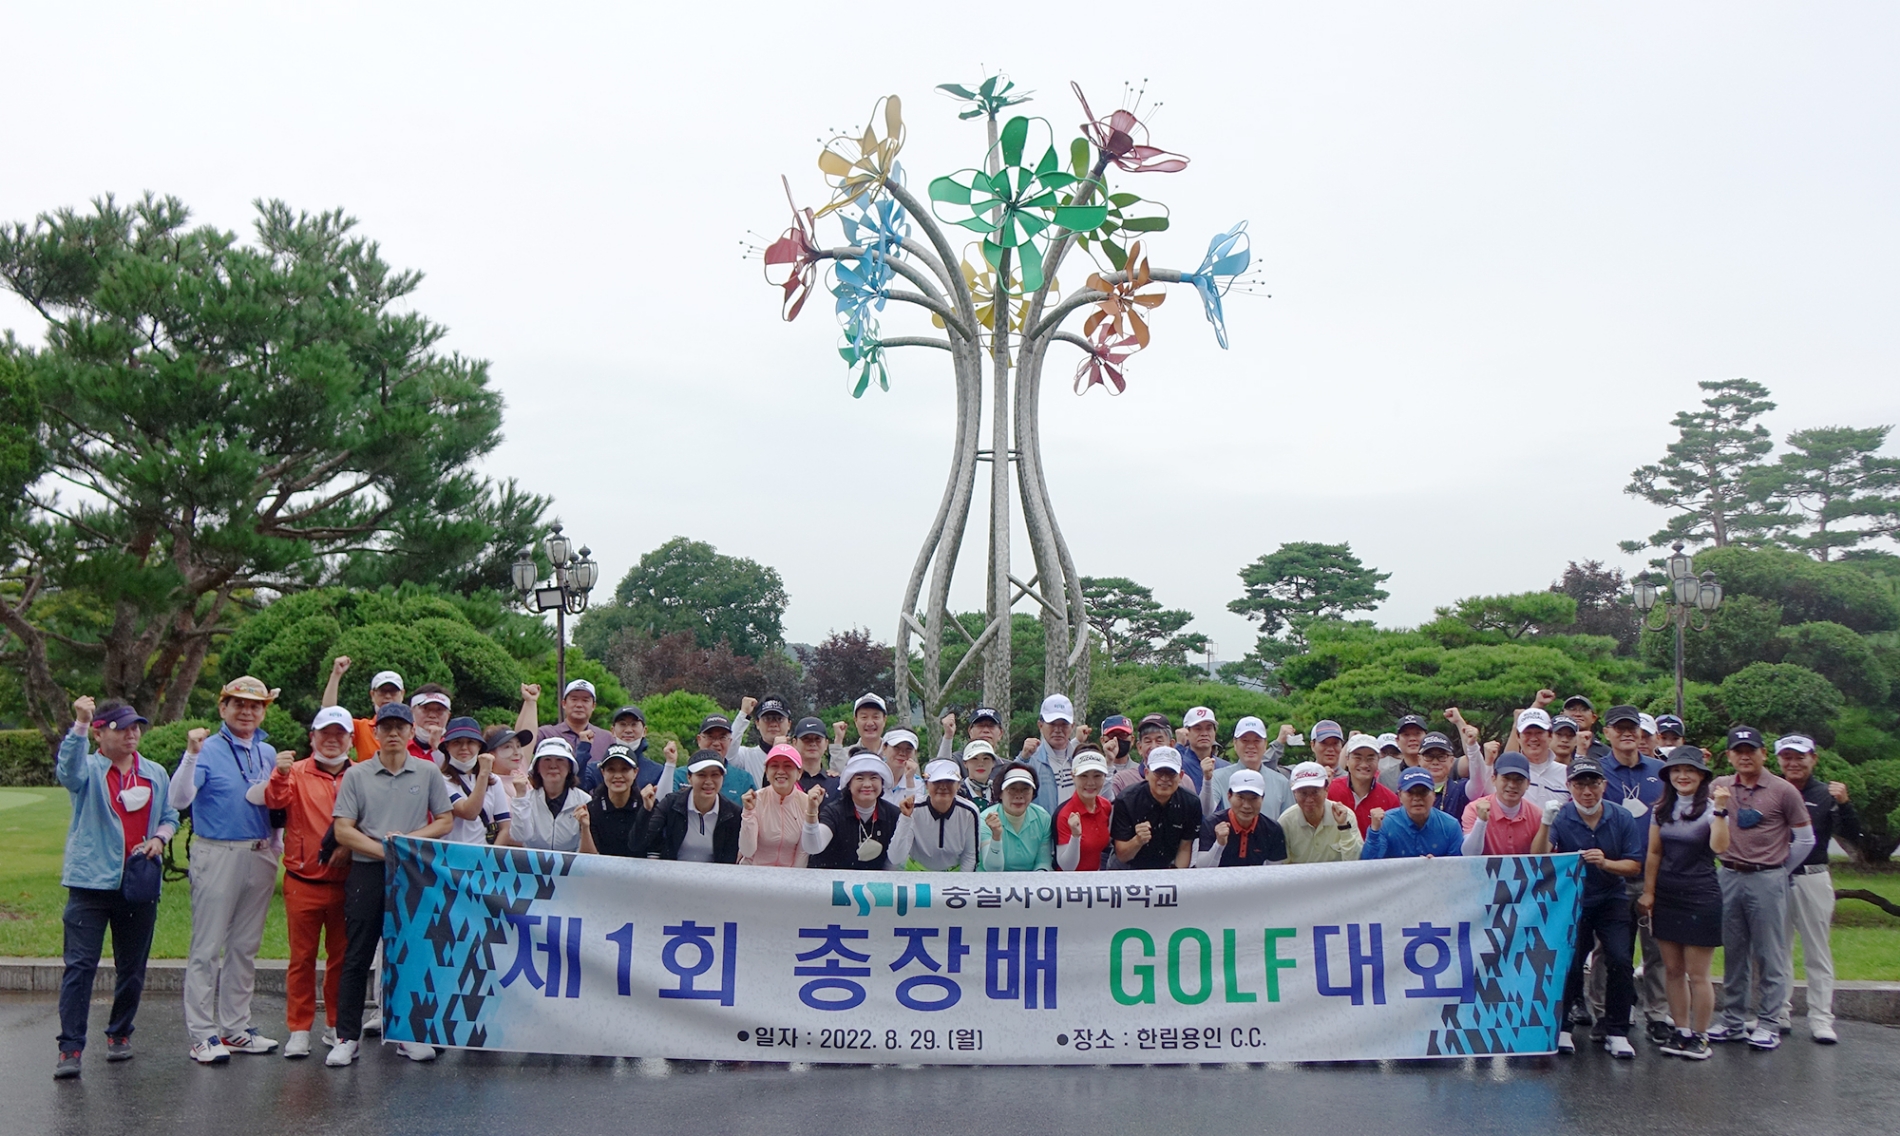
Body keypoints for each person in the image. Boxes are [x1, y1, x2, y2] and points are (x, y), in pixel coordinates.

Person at [51, 696, 177, 1080]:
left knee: (133, 968)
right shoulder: (88, 769)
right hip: (89, 883)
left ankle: (120, 1033)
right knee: (80, 967)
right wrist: (80, 723)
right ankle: (70, 1047)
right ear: (100, 733)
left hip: (138, 882)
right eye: (121, 728)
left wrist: (160, 838)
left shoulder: (154, 772)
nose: (131, 733)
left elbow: (170, 814)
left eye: (135, 726)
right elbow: (67, 773)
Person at [325, 701, 453, 1067]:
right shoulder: (357, 774)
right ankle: (346, 1037)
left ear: (411, 732)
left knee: (408, 955)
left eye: (400, 727)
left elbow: (444, 821)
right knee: (357, 955)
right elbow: (343, 830)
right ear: (376, 733)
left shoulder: (427, 772)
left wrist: (406, 844)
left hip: (410, 873)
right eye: (386, 727)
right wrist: (386, 850)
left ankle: (406, 1034)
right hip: (368, 870)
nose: (393, 733)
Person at [169, 676, 283, 1064]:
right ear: (223, 708)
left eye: (255, 706)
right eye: (238, 704)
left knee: (245, 946)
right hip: (217, 851)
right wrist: (191, 754)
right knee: (207, 946)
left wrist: (278, 841)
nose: (247, 712)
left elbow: (275, 801)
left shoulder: (267, 752)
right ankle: (202, 1033)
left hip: (260, 851)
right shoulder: (208, 749)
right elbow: (179, 798)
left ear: (263, 711)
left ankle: (235, 1027)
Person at [1708, 726, 1814, 1050]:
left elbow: (1805, 839)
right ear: (1729, 756)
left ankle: (1769, 1022)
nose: (1745, 757)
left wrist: (1779, 868)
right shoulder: (1721, 786)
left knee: (1770, 953)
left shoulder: (1783, 790)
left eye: (1751, 751)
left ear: (1764, 754)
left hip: (1767, 877)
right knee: (1734, 951)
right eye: (1738, 751)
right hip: (1729, 874)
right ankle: (1733, 1020)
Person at [1534, 756, 1647, 1058]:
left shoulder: (1621, 816)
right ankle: (1563, 1027)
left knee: (1620, 961)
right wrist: (1546, 823)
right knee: (1570, 963)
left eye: (1593, 784)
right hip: (1574, 901)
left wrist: (1606, 863)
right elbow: (1540, 856)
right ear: (1569, 786)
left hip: (1611, 898)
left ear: (1603, 785)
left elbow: (1634, 865)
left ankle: (1616, 1031)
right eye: (1580, 784)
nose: (1587, 791)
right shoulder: (1562, 816)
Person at [263, 706, 355, 1060]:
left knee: (341, 959)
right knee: (301, 958)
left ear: (350, 739)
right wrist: (280, 774)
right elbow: (276, 802)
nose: (332, 740)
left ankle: (334, 1024)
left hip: (347, 882)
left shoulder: (361, 774)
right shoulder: (296, 772)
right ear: (312, 737)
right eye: (324, 733)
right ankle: (299, 1029)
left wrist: (348, 846)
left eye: (339, 734)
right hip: (303, 880)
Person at [1637, 747, 1730, 1061]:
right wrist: (1649, 892)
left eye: (1689, 770)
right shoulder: (1662, 809)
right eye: (1676, 771)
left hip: (1701, 896)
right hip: (1667, 896)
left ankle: (1701, 1035)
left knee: (1698, 974)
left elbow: (1720, 847)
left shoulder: (1712, 809)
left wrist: (1721, 811)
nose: (1683, 776)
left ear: (1702, 776)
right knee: (1673, 970)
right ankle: (1681, 1030)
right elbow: (1654, 853)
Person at [1773, 733, 1859, 1045]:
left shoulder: (1826, 794)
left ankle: (1821, 1017)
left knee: (1817, 950)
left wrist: (1845, 804)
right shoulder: (1772, 790)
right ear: (1778, 760)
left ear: (1813, 759)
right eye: (1787, 757)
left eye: (1800, 757)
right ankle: (1778, 1013)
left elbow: (1854, 835)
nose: (1793, 763)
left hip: (1813, 876)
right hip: (1775, 877)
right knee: (1777, 949)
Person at [1592, 704, 1670, 1044]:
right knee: (1608, 951)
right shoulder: (1596, 771)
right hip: (1612, 875)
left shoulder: (1660, 771)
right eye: (1619, 727)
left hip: (1652, 875)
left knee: (1656, 950)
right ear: (1607, 733)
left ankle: (1658, 1014)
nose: (1627, 733)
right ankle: (1604, 1012)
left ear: (1641, 733)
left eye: (1632, 728)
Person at [804, 753, 914, 870]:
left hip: (872, 880)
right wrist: (812, 811)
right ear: (849, 784)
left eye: (874, 778)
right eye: (859, 778)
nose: (867, 785)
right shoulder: (834, 812)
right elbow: (813, 847)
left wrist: (905, 819)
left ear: (882, 783)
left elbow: (896, 858)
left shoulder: (892, 813)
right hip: (830, 878)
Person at [639, 750, 743, 862]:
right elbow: (639, 842)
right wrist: (646, 810)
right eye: (701, 775)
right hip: (672, 872)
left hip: (714, 873)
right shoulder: (671, 803)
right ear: (689, 778)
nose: (709, 781)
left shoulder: (733, 813)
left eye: (715, 775)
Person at [1110, 746, 1202, 869]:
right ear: (1147, 773)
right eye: (1158, 772)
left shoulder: (1191, 802)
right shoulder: (1127, 800)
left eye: (1171, 773)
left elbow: (1185, 848)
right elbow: (1122, 856)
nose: (1164, 778)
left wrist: (1177, 876)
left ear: (1181, 776)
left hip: (1167, 867)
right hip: (1126, 868)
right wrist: (1138, 841)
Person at [501, 738, 595, 854]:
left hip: (571, 863)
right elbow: (520, 836)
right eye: (547, 759)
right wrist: (520, 798)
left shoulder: (584, 800)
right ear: (537, 767)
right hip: (533, 862)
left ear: (570, 767)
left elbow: (588, 852)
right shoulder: (526, 800)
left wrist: (585, 827)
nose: (553, 766)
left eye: (560, 759)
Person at [1469, 708, 1570, 812]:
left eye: (1539, 733)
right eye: (1527, 733)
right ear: (1518, 737)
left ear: (1550, 736)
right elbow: (1488, 797)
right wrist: (1486, 761)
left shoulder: (1566, 773)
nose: (1533, 738)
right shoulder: (1506, 771)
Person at [439, 717, 513, 847]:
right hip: (450, 852)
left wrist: (490, 855)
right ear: (447, 747)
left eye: (471, 742)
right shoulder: (440, 779)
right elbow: (469, 812)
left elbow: (505, 827)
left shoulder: (494, 781)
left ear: (479, 746)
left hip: (483, 853)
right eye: (457, 742)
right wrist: (483, 774)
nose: (464, 748)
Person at [1201, 717, 1292, 822]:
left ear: (1265, 744)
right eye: (1245, 740)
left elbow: (1289, 822)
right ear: (1235, 743)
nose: (1251, 746)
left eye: (1257, 741)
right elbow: (1206, 811)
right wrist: (1207, 780)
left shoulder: (1281, 782)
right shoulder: (1218, 777)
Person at [1361, 768, 1463, 859]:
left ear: (1434, 795)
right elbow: (1369, 865)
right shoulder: (1385, 823)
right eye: (1410, 792)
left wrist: (1438, 865)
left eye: (1423, 792)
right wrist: (1374, 831)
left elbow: (1457, 867)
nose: (1417, 798)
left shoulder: (1450, 826)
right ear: (1400, 796)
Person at [1193, 769, 1288, 867]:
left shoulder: (1272, 829)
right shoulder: (1212, 824)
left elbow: (1274, 870)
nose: (1246, 805)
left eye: (1254, 798)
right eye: (1240, 797)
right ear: (1229, 796)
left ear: (1262, 798)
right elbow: (1202, 869)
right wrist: (1219, 844)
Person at [319, 657, 406, 761]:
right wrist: (336, 675)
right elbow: (328, 715)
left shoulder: (412, 728)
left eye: (393, 691)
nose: (387, 696)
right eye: (382, 691)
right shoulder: (362, 728)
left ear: (402, 694)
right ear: (372, 695)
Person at [900, 760, 981, 871]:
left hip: (954, 874)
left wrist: (962, 880)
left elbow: (970, 856)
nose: (943, 786)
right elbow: (901, 851)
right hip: (915, 871)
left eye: (949, 781)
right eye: (936, 781)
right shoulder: (913, 809)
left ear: (958, 785)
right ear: (926, 784)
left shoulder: (969, 812)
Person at [739, 745, 812, 867]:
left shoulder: (806, 802)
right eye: (774, 766)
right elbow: (747, 850)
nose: (781, 771)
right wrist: (748, 813)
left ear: (799, 773)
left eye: (788, 766)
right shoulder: (755, 799)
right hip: (753, 871)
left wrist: (794, 877)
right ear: (766, 772)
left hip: (788, 874)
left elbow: (802, 852)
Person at [1459, 752, 1541, 855]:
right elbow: (1469, 854)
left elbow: (1544, 856)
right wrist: (1481, 822)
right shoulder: (1474, 809)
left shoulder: (1537, 815)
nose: (1512, 785)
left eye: (1519, 780)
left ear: (1528, 784)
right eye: (1506, 778)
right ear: (1494, 779)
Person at [1280, 762, 1362, 863]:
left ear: (1326, 790)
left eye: (1315, 792)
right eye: (1303, 793)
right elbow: (1282, 865)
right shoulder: (1286, 821)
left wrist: (1344, 827)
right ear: (1294, 793)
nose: (1309, 799)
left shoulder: (1345, 816)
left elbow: (1355, 861)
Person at [979, 764, 1054, 871]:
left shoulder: (1043, 817)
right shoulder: (985, 819)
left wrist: (1037, 878)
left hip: (1032, 879)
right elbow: (992, 869)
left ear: (1033, 793)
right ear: (1000, 793)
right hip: (992, 880)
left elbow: (1043, 862)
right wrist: (996, 836)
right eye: (1012, 789)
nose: (1019, 795)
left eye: (1025, 789)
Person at [585, 744, 653, 858]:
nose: (617, 776)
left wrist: (646, 812)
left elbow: (654, 852)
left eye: (624, 769)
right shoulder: (592, 809)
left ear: (635, 772)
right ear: (603, 773)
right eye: (611, 769)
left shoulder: (648, 805)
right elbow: (590, 859)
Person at [673, 714, 757, 806]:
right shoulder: (679, 776)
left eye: (722, 737)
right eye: (710, 737)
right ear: (699, 740)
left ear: (730, 741)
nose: (716, 743)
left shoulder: (744, 779)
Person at [1327, 734, 1400, 839]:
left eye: (1370, 758)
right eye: (1358, 758)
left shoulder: (1391, 800)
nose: (1364, 764)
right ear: (1347, 760)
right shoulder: (1330, 791)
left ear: (1378, 760)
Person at [537, 679, 604, 787]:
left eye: (585, 700)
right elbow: (522, 747)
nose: (579, 705)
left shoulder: (607, 737)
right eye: (574, 699)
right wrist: (530, 703)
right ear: (564, 703)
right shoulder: (546, 733)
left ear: (593, 706)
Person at [1020, 694, 1080, 814]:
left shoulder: (1079, 759)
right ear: (1040, 725)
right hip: (1044, 826)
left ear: (1072, 726)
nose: (1058, 730)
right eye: (1052, 724)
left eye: (1064, 724)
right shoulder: (1030, 760)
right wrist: (1022, 759)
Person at [1055, 751, 1114, 871]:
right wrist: (1075, 836)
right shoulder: (1065, 814)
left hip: (1095, 877)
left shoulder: (1105, 806)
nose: (1090, 783)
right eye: (1083, 776)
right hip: (1070, 881)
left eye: (1097, 776)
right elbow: (1067, 867)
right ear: (1073, 776)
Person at [727, 694, 793, 784]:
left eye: (779, 719)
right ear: (757, 723)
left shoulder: (797, 757)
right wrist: (743, 714)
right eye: (767, 719)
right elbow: (728, 753)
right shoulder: (746, 756)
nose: (773, 724)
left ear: (789, 724)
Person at [602, 705, 669, 794]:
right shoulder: (597, 768)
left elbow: (664, 800)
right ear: (612, 730)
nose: (628, 730)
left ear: (644, 731)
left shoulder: (657, 771)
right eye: (622, 724)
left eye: (634, 724)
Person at [1108, 714, 1175, 800]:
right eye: (1148, 741)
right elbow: (1106, 804)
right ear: (1139, 747)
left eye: (1159, 740)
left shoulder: (1184, 780)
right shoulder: (1121, 779)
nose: (1154, 746)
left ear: (1171, 745)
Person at [830, 693, 891, 771]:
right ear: (855, 720)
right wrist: (838, 740)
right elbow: (838, 775)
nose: (870, 723)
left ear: (884, 720)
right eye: (864, 717)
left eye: (875, 717)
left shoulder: (894, 754)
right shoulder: (846, 755)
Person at [1174, 705, 1225, 792]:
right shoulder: (1179, 763)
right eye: (1198, 729)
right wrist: (1179, 746)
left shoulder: (1225, 767)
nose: (1204, 733)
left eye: (1209, 728)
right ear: (1186, 732)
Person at [790, 717, 839, 797]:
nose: (812, 743)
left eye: (817, 739)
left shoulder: (836, 783)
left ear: (826, 744)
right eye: (806, 739)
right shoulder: (787, 781)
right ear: (794, 743)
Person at [407, 684, 453, 763]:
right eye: (425, 708)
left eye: (439, 710)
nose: (432, 715)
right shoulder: (398, 746)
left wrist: (437, 748)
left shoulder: (455, 750)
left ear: (448, 715)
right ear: (412, 712)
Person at [881, 728, 924, 806]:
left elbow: (914, 810)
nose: (902, 753)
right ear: (884, 748)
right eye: (896, 747)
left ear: (915, 753)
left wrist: (909, 781)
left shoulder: (918, 783)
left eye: (908, 749)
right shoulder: (873, 778)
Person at [960, 740, 999, 808]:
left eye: (986, 758)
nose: (980, 763)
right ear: (965, 763)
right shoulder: (956, 792)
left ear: (993, 763)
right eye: (974, 758)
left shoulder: (1000, 792)